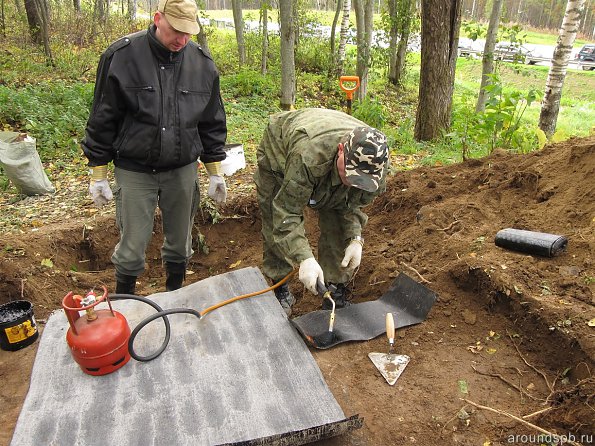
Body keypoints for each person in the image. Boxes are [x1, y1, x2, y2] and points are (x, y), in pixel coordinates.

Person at [81, 0, 227, 294]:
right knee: (132, 247)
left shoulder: (201, 63)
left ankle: (174, 294)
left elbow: (211, 121)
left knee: (180, 244)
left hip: (182, 169)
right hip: (135, 170)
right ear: (158, 18)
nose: (182, 40)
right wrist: (98, 173)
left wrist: (215, 171)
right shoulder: (122, 55)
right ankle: (125, 301)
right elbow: (103, 116)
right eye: (176, 31)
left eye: (188, 33)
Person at [253, 108, 390, 316]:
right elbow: (286, 213)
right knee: (275, 215)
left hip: (323, 152)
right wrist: (305, 259)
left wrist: (355, 238)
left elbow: (350, 206)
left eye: (361, 181)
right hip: (280, 149)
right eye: (351, 173)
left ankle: (334, 290)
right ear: (342, 150)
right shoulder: (308, 156)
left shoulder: (376, 169)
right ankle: (280, 285)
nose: (354, 183)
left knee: (336, 214)